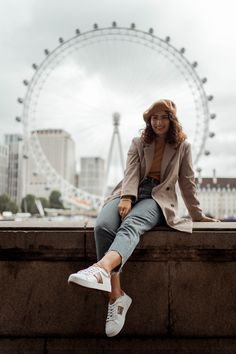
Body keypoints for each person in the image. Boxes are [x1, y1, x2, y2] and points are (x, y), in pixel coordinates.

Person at [68, 99, 219, 337]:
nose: (158, 122)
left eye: (163, 117)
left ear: (172, 120)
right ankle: (117, 296)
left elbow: (187, 183)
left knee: (131, 226)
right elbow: (130, 172)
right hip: (128, 191)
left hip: (157, 198)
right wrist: (127, 197)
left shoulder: (183, 147)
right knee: (103, 227)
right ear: (149, 121)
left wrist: (198, 215)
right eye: (154, 118)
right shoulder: (139, 142)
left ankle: (99, 270)